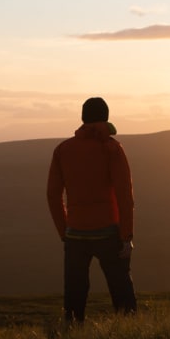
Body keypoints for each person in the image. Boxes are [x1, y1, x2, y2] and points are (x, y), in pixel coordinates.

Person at [46, 96, 137, 323]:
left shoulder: (63, 150)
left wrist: (64, 232)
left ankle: (72, 336)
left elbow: (53, 195)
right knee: (121, 291)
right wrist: (126, 236)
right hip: (108, 231)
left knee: (75, 294)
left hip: (75, 233)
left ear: (82, 118)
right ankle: (129, 336)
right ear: (106, 118)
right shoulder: (112, 149)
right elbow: (124, 195)